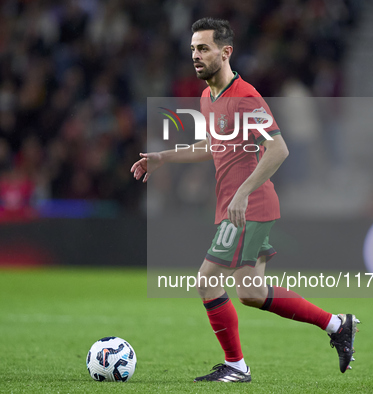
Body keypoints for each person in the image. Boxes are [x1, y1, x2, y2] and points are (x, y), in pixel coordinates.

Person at [130, 17, 360, 383]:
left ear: (226, 52)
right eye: (193, 48)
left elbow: (278, 149)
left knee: (207, 279)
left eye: (203, 48)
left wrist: (242, 192)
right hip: (237, 204)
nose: (196, 55)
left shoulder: (246, 97)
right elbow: (211, 146)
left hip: (248, 206)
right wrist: (163, 158)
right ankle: (337, 325)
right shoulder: (208, 97)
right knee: (252, 291)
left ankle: (236, 365)